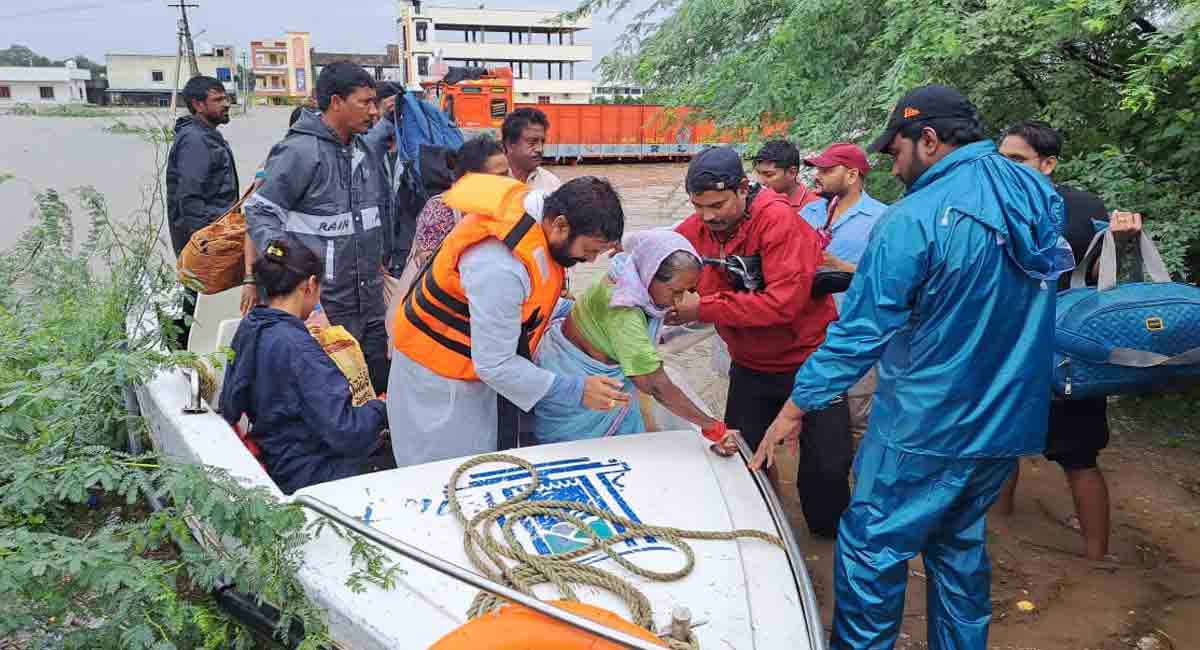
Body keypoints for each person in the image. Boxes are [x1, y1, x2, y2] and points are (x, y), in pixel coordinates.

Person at [751, 85, 1074, 650]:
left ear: (927, 139)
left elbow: (859, 333)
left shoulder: (913, 219)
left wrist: (795, 407)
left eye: (895, 151)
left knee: (872, 549)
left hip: (927, 425)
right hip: (1008, 421)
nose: (892, 166)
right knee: (958, 545)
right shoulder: (1035, 193)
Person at [670, 146, 850, 539]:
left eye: (717, 205)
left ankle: (829, 543)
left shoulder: (777, 221)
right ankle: (763, 531)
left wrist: (703, 308)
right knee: (741, 461)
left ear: (742, 188)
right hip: (750, 365)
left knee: (828, 469)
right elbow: (659, 256)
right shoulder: (697, 228)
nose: (707, 216)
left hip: (810, 361)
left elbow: (783, 305)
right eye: (698, 206)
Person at [389, 173, 630, 466]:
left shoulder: (538, 211)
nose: (590, 261)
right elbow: (495, 365)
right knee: (453, 470)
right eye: (589, 251)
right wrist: (577, 391)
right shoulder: (500, 266)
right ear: (560, 225)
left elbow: (526, 304)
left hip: (477, 362)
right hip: (439, 381)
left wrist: (578, 312)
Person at [994, 119, 1142, 561]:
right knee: (1001, 447)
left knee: (1078, 456)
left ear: (1048, 164)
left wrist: (1123, 243)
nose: (1006, 167)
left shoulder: (1083, 208)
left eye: (1017, 159)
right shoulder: (992, 205)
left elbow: (1101, 277)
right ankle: (1001, 535)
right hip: (1007, 347)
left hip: (1068, 350)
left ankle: (1096, 558)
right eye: (1001, 159)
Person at [243, 62, 393, 395]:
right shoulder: (299, 152)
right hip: (323, 306)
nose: (373, 111)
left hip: (370, 303)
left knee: (375, 389)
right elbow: (258, 212)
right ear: (336, 102)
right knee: (329, 394)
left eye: (375, 102)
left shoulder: (363, 150)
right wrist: (289, 266)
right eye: (365, 102)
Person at [218, 237, 390, 495]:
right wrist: (383, 406)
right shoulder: (300, 350)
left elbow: (229, 405)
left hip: (275, 458)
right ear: (309, 285)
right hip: (313, 473)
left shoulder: (250, 326)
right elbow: (347, 431)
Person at [532, 229, 733, 446]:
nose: (678, 301)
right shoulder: (624, 308)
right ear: (650, 274)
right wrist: (713, 428)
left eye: (687, 291)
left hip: (594, 368)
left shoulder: (629, 270)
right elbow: (655, 385)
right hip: (578, 391)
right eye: (675, 291)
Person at [800, 142, 889, 439]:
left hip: (856, 334)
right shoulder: (809, 213)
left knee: (857, 420)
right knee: (810, 414)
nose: (818, 176)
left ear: (852, 175)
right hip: (809, 332)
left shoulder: (882, 218)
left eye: (827, 170)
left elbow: (888, 278)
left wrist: (840, 266)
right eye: (818, 169)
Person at [166, 75, 237, 348]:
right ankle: (181, 348)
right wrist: (208, 242)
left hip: (210, 233)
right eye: (218, 100)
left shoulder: (207, 135)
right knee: (196, 298)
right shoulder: (196, 140)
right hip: (203, 239)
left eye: (225, 98)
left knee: (198, 297)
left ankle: (185, 345)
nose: (226, 104)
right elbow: (191, 198)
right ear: (198, 105)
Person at [752, 139, 820, 215]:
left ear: (792, 172)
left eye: (769, 175)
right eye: (758, 173)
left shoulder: (815, 209)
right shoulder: (759, 198)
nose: (761, 181)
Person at [503, 107, 561, 193]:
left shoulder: (552, 184)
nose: (540, 149)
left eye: (542, 142)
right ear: (510, 145)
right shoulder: (490, 181)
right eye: (532, 142)